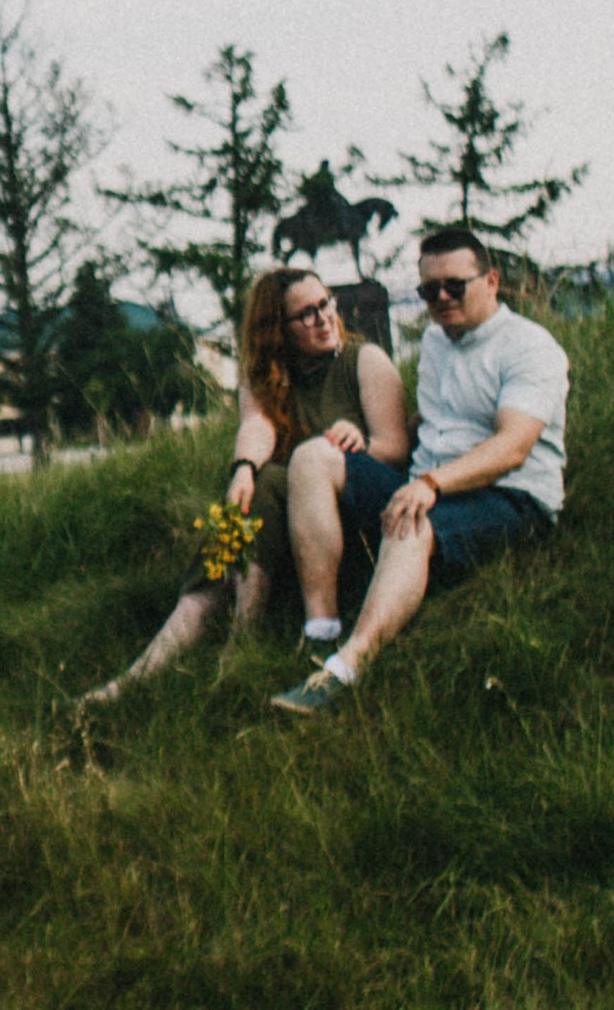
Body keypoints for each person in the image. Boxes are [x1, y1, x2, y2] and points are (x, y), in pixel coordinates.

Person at [268, 223, 566, 720]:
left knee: (410, 521)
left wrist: (430, 484)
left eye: (455, 285)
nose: (441, 298)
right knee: (314, 456)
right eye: (429, 290)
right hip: (431, 483)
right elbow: (438, 418)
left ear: (491, 281)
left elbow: (513, 447)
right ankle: (320, 632)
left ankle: (345, 669)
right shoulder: (436, 341)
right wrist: (360, 441)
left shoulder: (529, 348)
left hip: (510, 497)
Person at [80, 266, 407, 699]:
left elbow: (396, 450)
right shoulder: (266, 375)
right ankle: (137, 677)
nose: (324, 318)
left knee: (268, 482)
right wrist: (242, 470)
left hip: (354, 517)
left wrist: (359, 444)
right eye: (306, 314)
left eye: (326, 303)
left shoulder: (363, 360)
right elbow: (258, 426)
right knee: (247, 495)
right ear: (279, 330)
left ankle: (243, 637)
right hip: (288, 524)